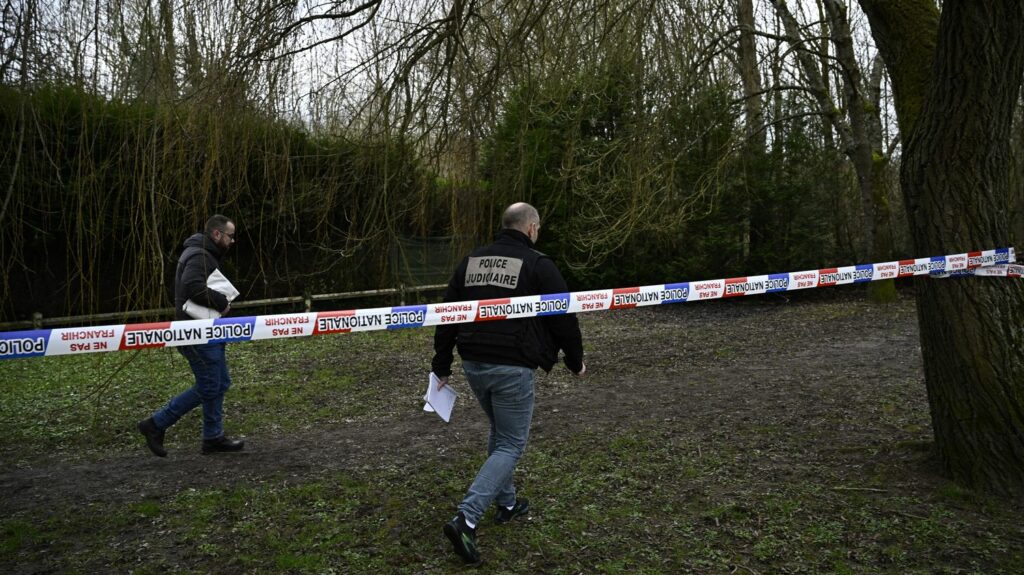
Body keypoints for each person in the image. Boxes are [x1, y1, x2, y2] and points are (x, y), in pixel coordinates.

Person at [432, 202, 586, 565]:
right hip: (512, 366)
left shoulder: (471, 262)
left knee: (500, 433)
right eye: (538, 229)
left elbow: (445, 314)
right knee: (512, 443)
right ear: (531, 228)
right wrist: (575, 361)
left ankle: (508, 502)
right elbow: (562, 314)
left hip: (472, 362)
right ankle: (466, 519)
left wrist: (441, 363)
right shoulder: (538, 263)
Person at [137, 214, 245, 457]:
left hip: (206, 332)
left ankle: (213, 437)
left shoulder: (202, 253)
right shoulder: (199, 255)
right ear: (217, 234)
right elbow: (193, 287)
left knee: (220, 383)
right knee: (210, 385)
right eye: (230, 236)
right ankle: (155, 424)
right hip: (196, 334)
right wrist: (222, 303)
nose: (232, 241)